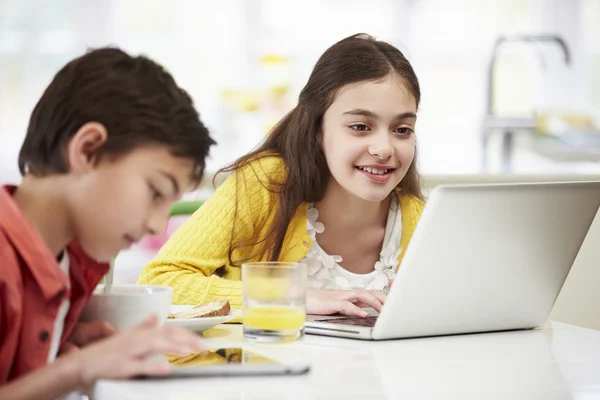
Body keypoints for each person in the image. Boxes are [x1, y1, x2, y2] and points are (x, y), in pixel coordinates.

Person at [139, 33, 425, 318]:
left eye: (402, 130)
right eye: (360, 126)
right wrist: (292, 297)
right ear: (317, 129)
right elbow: (161, 279)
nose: (384, 148)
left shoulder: (418, 218)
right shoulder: (265, 182)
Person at [0, 47, 215, 399]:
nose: (157, 224)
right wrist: (75, 370)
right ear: (87, 150)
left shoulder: (72, 263)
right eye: (156, 191)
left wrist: (59, 350)